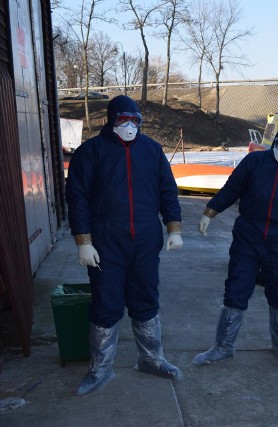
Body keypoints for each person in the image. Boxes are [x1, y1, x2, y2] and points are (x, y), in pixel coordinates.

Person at [66, 95, 184, 395]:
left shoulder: (152, 150)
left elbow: (168, 190)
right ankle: (100, 369)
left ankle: (151, 359)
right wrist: (84, 241)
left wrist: (173, 228)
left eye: (134, 119)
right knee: (107, 303)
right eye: (122, 119)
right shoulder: (90, 152)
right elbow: (77, 197)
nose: (129, 125)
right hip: (106, 242)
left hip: (145, 240)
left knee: (146, 299)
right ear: (111, 120)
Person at [194, 124, 278, 365]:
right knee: (236, 289)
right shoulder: (254, 162)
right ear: (274, 142)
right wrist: (210, 211)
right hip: (248, 237)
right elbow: (232, 188)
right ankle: (223, 346)